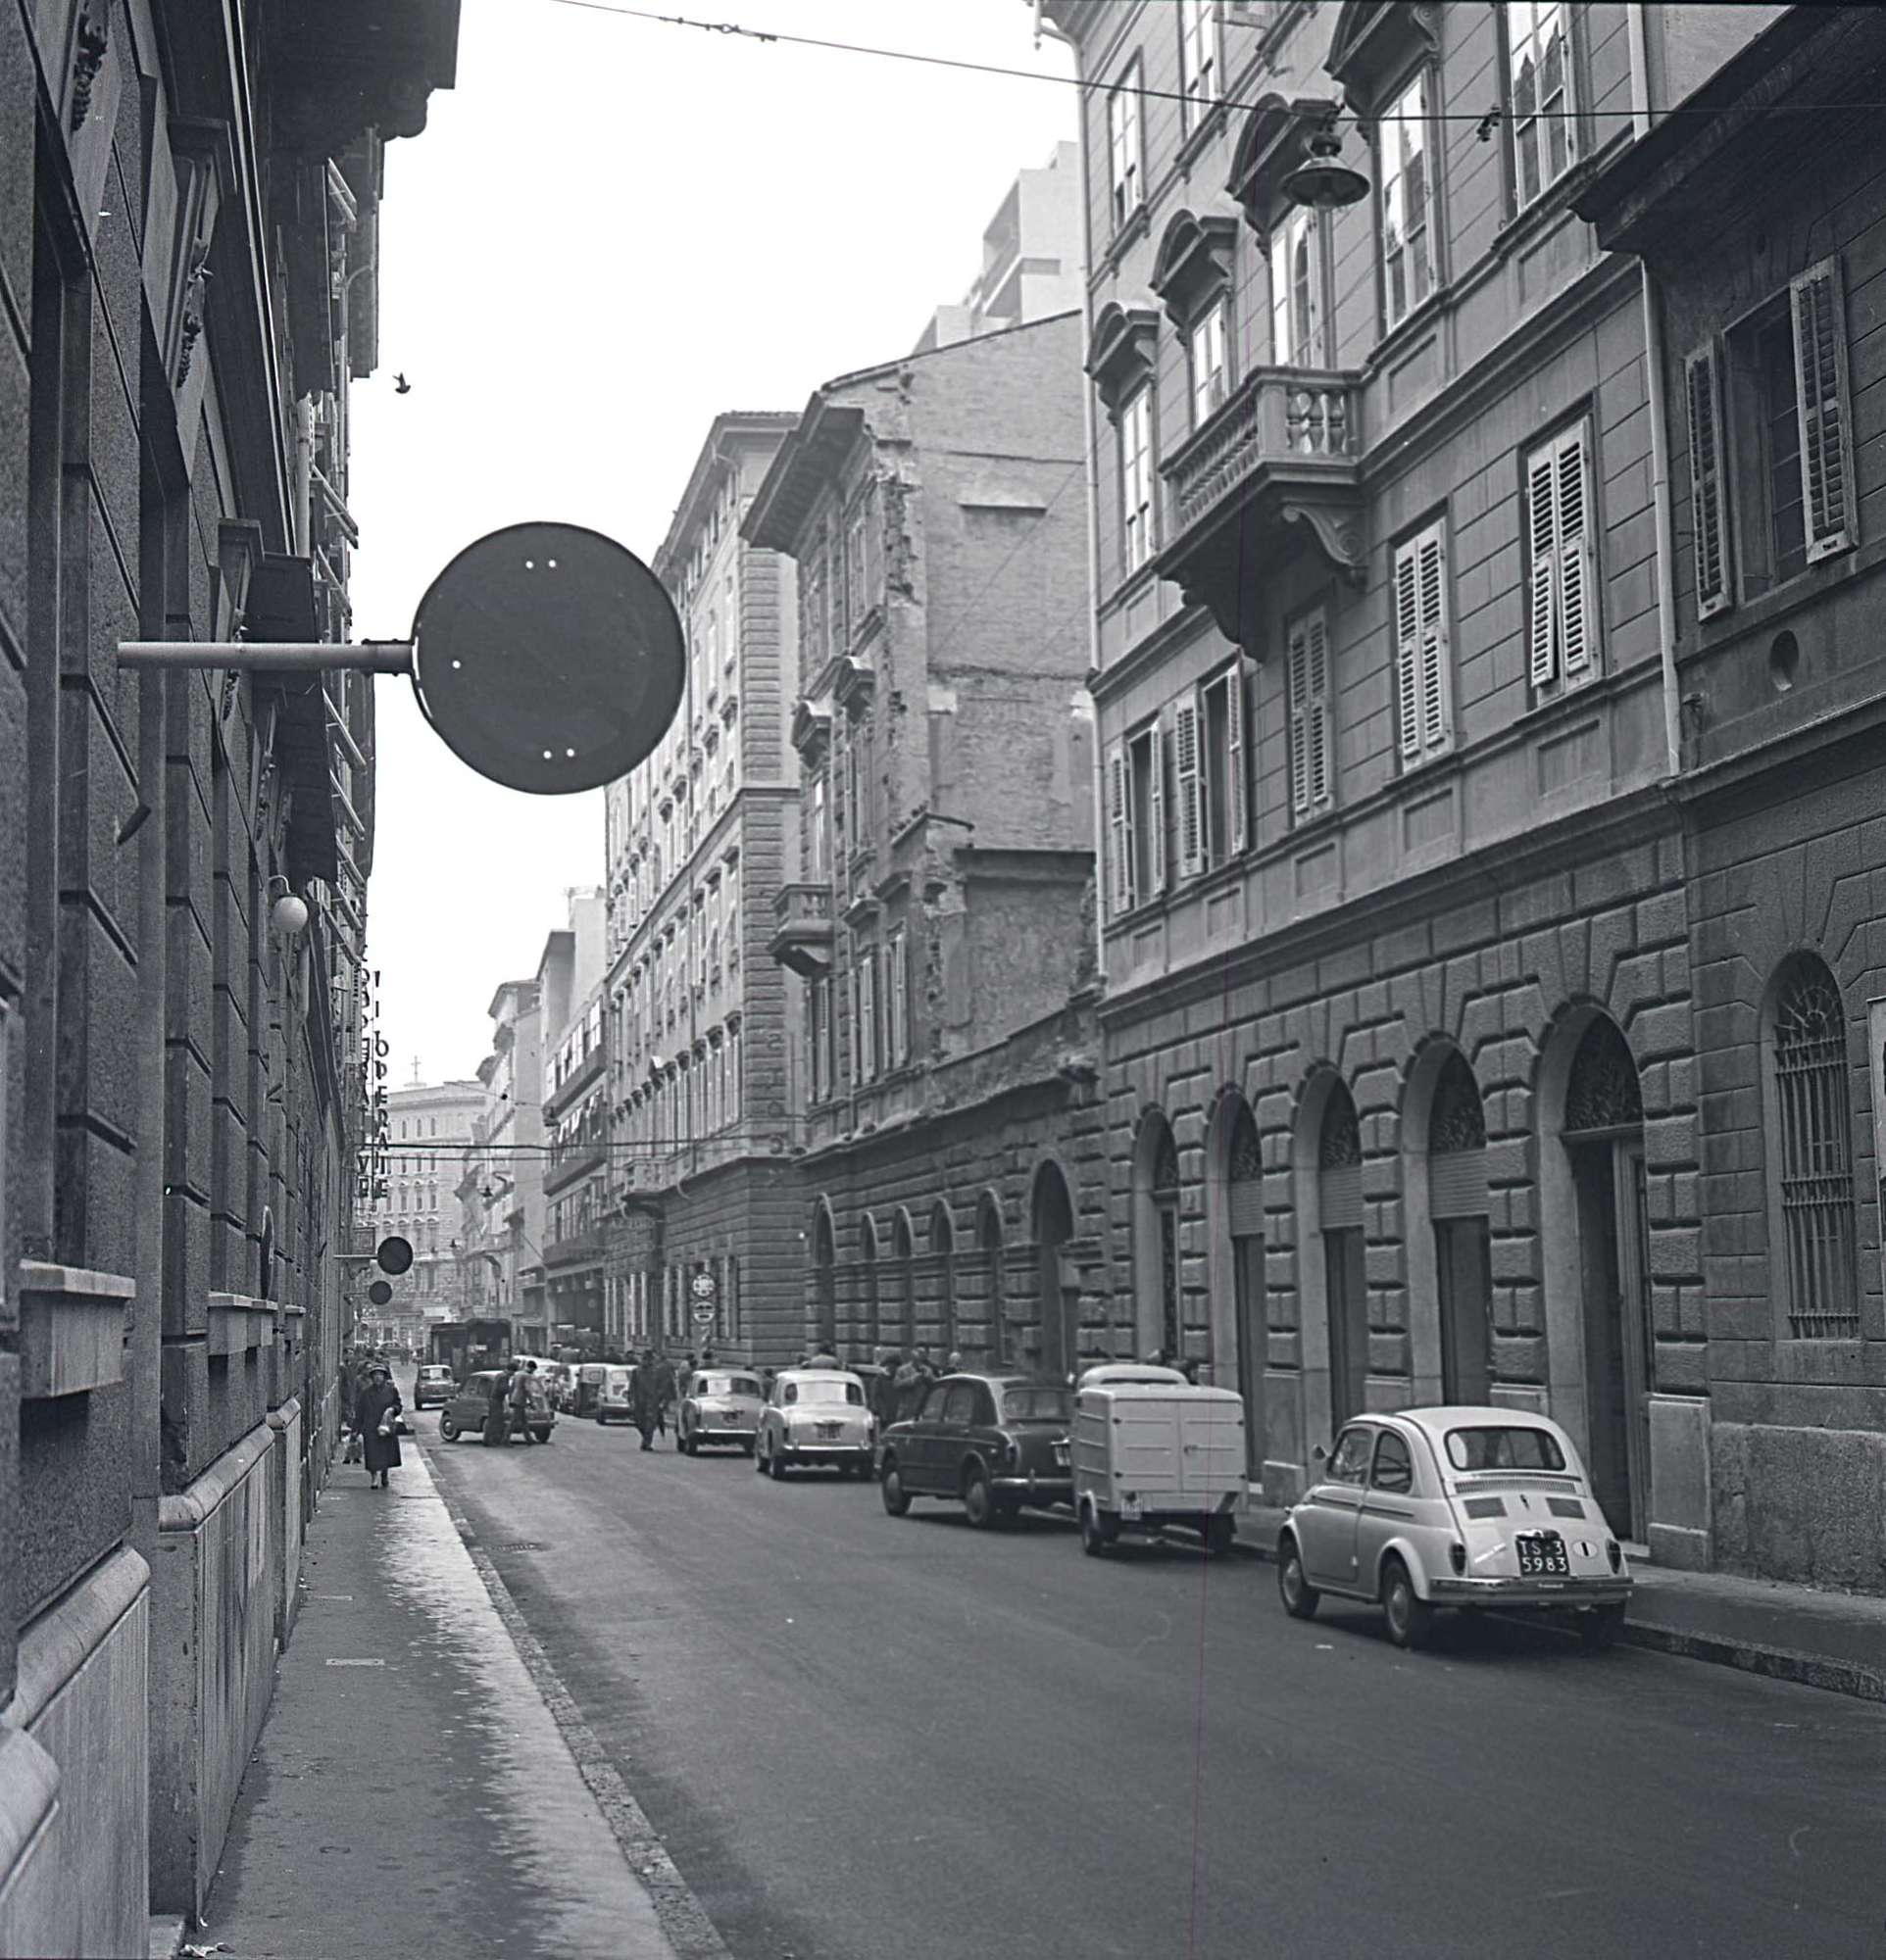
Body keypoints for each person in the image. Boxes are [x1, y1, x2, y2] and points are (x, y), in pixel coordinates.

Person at [354, 1364, 403, 1491]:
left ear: (384, 1377)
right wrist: (356, 1430)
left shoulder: (391, 1391)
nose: (378, 1378)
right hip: (370, 1427)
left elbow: (398, 1405)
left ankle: (385, 1474)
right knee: (372, 1455)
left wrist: (393, 1409)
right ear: (372, 1377)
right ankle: (374, 1478)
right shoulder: (366, 1393)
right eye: (375, 1375)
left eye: (380, 1375)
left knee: (386, 1453)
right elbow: (359, 1412)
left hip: (386, 1427)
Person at [629, 1350, 662, 1451]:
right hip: (639, 1401)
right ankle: (645, 1437)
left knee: (650, 1423)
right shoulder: (636, 1372)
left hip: (652, 1401)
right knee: (639, 1422)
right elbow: (632, 1386)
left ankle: (647, 1443)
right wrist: (631, 1399)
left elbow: (661, 1386)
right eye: (644, 1359)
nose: (645, 1361)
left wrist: (662, 1399)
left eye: (648, 1359)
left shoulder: (656, 1372)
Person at [483, 1368, 510, 1446]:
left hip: (493, 1399)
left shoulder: (499, 1375)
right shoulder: (504, 1376)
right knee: (495, 1421)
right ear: (511, 1370)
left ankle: (487, 1439)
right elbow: (503, 1388)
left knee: (491, 1420)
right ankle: (491, 1440)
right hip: (497, 1400)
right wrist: (510, 1389)